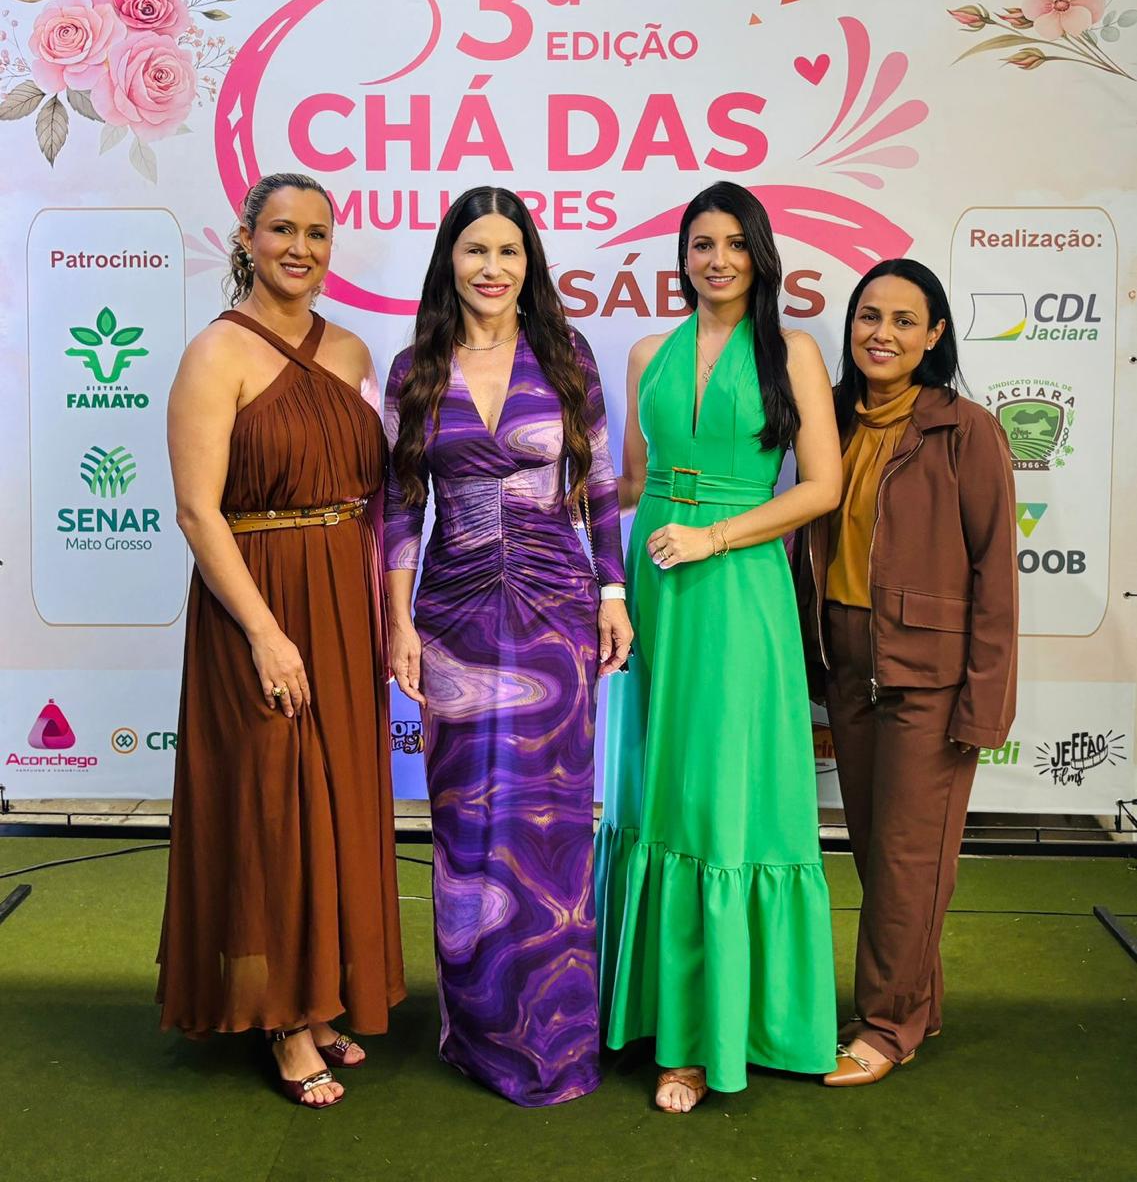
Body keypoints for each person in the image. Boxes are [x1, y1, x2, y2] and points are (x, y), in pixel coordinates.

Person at [158, 171, 405, 1109]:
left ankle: (321, 995)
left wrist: (385, 613)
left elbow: (375, 492)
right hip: (255, 609)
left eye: (316, 233)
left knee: (335, 802)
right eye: (282, 230)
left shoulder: (350, 350)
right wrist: (264, 633)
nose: (300, 247)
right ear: (246, 239)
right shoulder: (215, 353)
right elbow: (197, 511)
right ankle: (284, 1022)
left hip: (343, 598)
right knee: (271, 805)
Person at [596, 180, 843, 1113]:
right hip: (654, 589)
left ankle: (704, 1039)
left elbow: (819, 487)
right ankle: (659, 1016)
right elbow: (630, 482)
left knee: (719, 795)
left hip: (738, 588)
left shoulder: (793, 351)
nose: (717, 260)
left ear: (759, 254)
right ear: (682, 255)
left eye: (735, 244)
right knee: (658, 788)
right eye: (701, 243)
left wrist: (716, 537)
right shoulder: (646, 353)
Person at [383, 185, 633, 1107]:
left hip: (556, 611)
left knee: (551, 825)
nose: (492, 268)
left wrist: (612, 593)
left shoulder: (566, 354)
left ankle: (554, 1038)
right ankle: (480, 1033)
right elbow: (400, 509)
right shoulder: (414, 367)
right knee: (467, 828)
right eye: (475, 250)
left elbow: (598, 487)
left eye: (509, 251)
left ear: (530, 264)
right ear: (449, 260)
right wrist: (398, 621)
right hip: (452, 615)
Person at [793, 257, 1017, 1086]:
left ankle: (887, 1025)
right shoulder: (829, 421)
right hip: (847, 668)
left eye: (902, 320)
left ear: (933, 336)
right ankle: (914, 1002)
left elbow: (995, 574)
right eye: (867, 316)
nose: (880, 334)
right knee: (879, 853)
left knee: (907, 861)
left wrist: (984, 704)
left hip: (930, 678)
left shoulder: (966, 430)